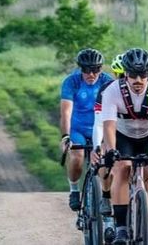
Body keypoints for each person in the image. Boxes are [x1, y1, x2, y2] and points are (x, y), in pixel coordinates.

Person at [99, 48, 148, 245]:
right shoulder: (112, 90)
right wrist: (110, 150)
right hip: (123, 136)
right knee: (122, 168)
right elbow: (108, 125)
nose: (138, 80)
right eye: (133, 75)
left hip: (147, 137)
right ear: (125, 74)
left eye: (142, 75)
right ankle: (121, 229)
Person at [60, 48, 112, 211]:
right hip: (78, 129)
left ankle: (105, 196)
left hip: (101, 128)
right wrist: (66, 136)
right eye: (86, 70)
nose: (91, 74)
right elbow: (66, 112)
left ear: (101, 69)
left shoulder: (107, 81)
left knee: (104, 161)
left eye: (95, 70)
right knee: (77, 157)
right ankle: (74, 189)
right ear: (80, 68)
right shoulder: (72, 82)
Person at [92, 53, 125, 217]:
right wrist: (97, 145)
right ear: (114, 74)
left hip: (134, 134)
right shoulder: (106, 90)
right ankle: (106, 195)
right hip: (110, 131)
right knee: (105, 161)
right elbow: (99, 123)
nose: (125, 79)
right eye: (121, 75)